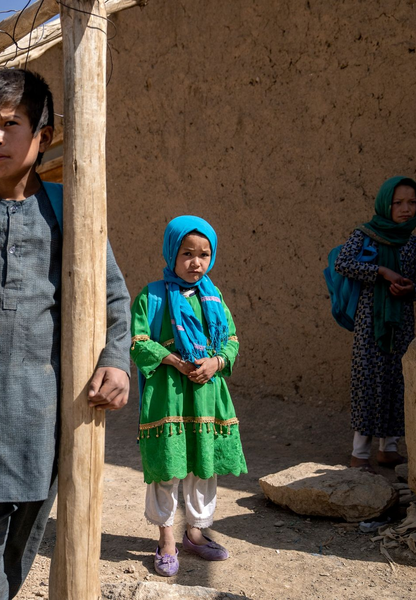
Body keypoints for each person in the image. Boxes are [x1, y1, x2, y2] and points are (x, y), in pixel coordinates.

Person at [0, 69, 132, 599]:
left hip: (49, 407)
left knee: (31, 525)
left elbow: (113, 296)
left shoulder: (74, 212)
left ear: (43, 133)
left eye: (9, 124)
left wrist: (116, 358)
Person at [130, 216, 246, 577]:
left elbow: (231, 339)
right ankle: (166, 540)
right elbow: (137, 341)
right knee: (168, 467)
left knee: (202, 466)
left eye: (204, 254)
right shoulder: (151, 296)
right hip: (170, 395)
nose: (196, 262)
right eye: (187, 253)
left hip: (207, 395)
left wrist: (216, 361)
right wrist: (176, 361)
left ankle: (194, 533)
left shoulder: (215, 297)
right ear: (171, 252)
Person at [335, 176, 416, 471]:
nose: (406, 209)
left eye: (412, 202)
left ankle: (389, 449)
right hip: (371, 323)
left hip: (403, 322)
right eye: (399, 203)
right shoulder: (365, 234)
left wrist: (410, 290)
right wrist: (382, 271)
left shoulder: (412, 240)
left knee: (398, 380)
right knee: (368, 381)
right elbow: (343, 263)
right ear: (386, 204)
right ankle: (360, 453)